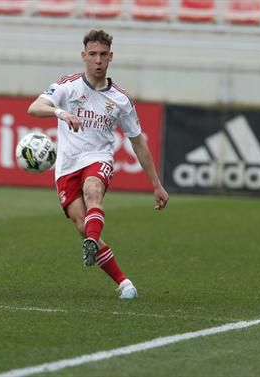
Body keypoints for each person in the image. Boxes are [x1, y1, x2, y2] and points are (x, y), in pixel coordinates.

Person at [27, 29, 169, 300]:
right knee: (82, 223)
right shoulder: (67, 86)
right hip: (67, 165)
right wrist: (60, 112)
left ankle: (91, 241)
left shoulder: (120, 99)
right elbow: (34, 107)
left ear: (111, 57)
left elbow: (138, 142)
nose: (98, 60)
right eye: (93, 54)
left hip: (98, 158)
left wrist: (156, 185)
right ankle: (124, 282)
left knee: (93, 192)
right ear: (83, 56)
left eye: (103, 54)